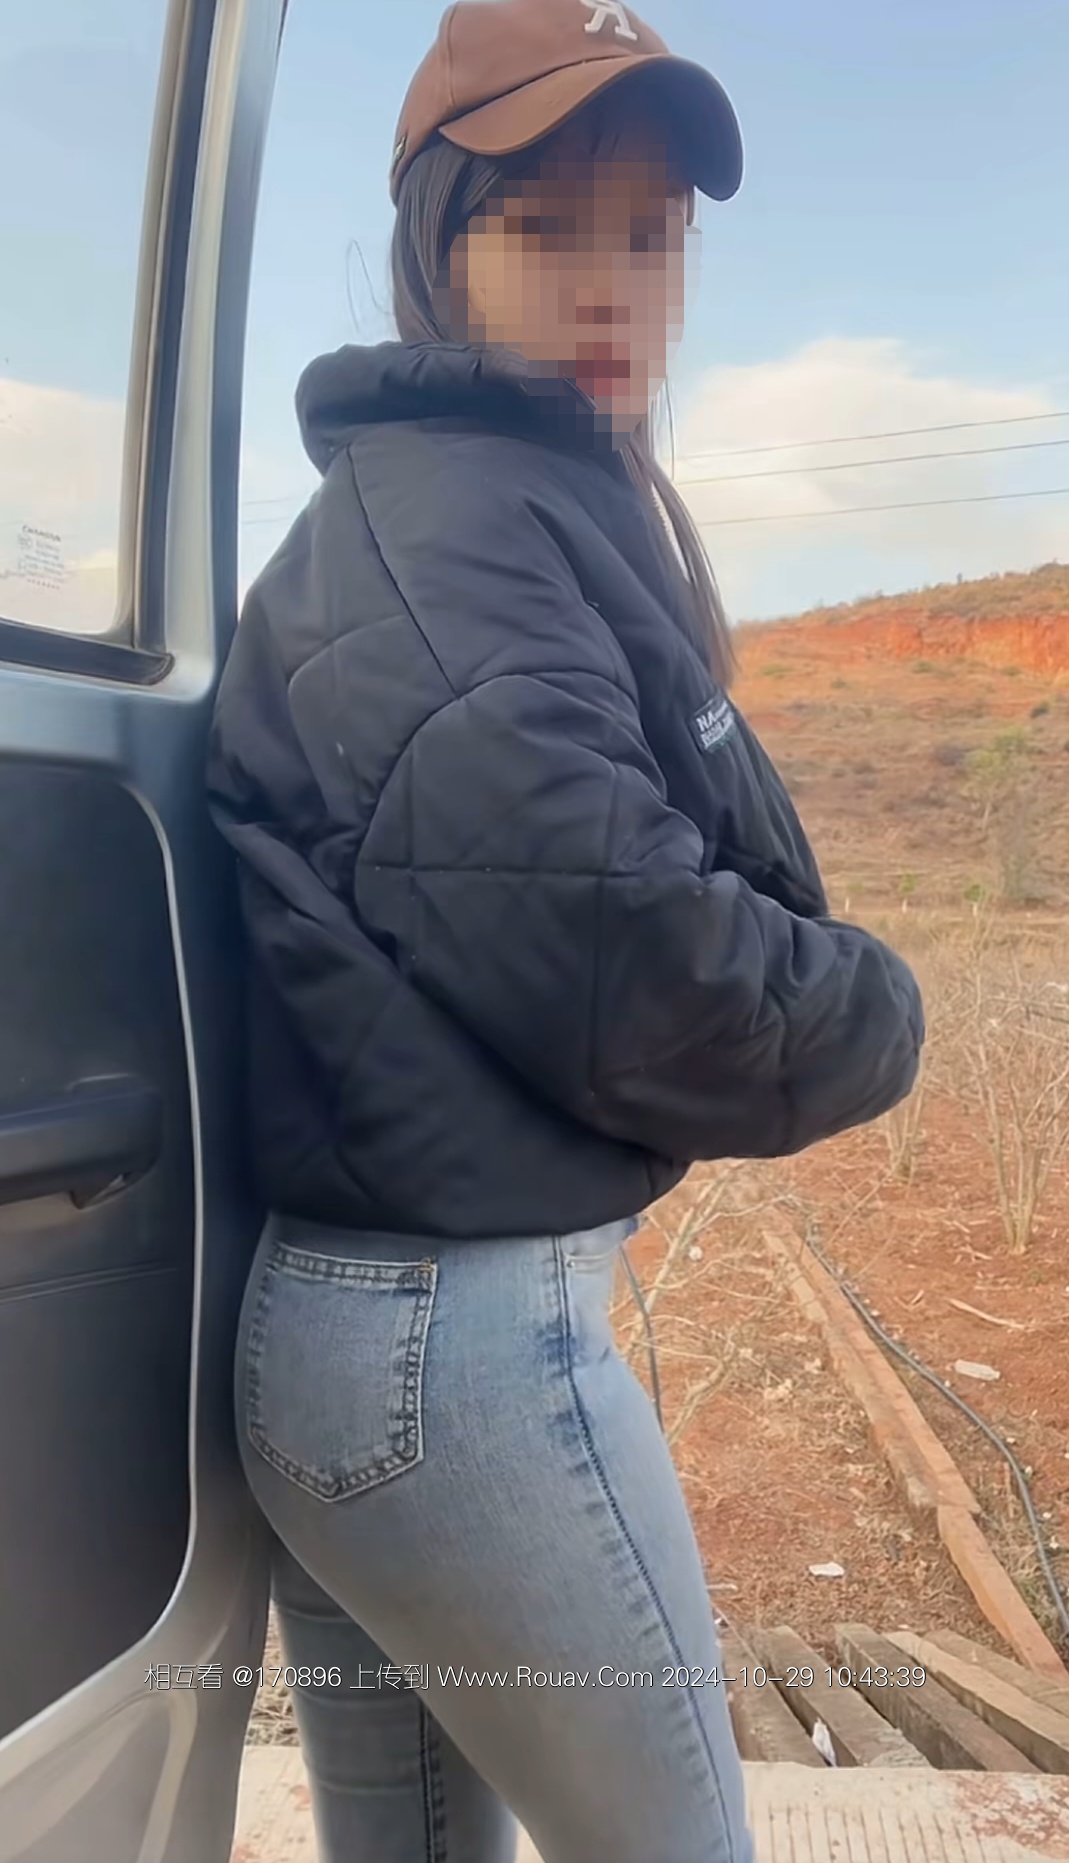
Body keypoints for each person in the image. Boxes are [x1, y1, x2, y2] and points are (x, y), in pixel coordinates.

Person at [207, 2, 925, 1858]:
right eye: (544, 228)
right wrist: (882, 1006)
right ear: (440, 245)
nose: (613, 286)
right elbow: (621, 947)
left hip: (354, 1351)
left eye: (653, 236)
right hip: (452, 1360)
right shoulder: (458, 531)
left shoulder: (478, 506)